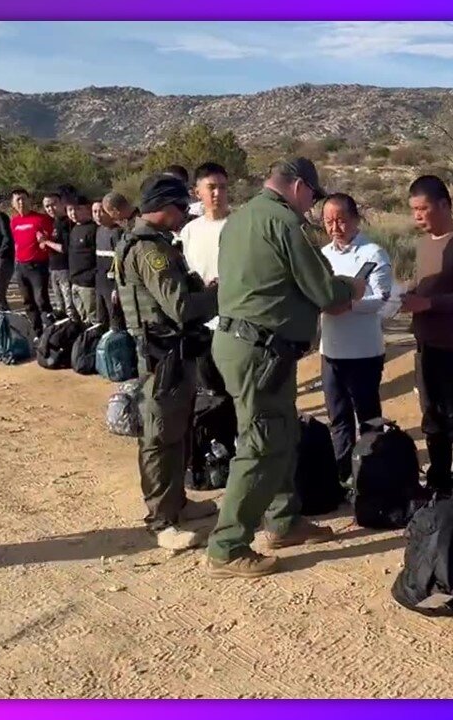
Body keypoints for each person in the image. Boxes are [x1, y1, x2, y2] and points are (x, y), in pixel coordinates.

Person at [206, 158, 365, 578]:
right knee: (259, 443)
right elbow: (324, 291)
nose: (312, 204)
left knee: (281, 433)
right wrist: (351, 287)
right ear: (297, 186)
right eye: (312, 195)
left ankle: (282, 520)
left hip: (248, 347)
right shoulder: (284, 222)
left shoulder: (241, 219)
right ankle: (227, 546)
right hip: (259, 351)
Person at [115, 174, 220, 550]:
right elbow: (180, 308)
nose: (183, 218)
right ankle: (161, 521)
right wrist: (217, 296)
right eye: (180, 210)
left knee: (177, 431)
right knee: (159, 437)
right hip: (162, 358)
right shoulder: (149, 251)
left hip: (173, 355)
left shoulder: (154, 243)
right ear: (166, 207)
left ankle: (177, 504)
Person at [400, 175, 453, 505]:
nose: (417, 216)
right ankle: (438, 481)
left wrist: (429, 303)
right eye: (413, 210)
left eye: (423, 209)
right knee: (432, 420)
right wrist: (408, 296)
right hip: (426, 347)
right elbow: (426, 287)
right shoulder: (423, 244)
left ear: (444, 205)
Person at [318, 193, 393, 485]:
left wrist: (348, 305)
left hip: (363, 352)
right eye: (328, 221)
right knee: (338, 418)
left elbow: (381, 298)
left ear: (355, 219)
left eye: (341, 220)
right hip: (331, 351)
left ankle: (374, 476)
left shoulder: (373, 253)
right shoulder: (322, 256)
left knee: (369, 418)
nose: (335, 227)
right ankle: (343, 475)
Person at [177, 162, 233, 394]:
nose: (217, 193)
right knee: (210, 388)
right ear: (196, 191)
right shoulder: (190, 230)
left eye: (222, 187)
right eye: (211, 187)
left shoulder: (240, 225)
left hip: (232, 320)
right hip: (201, 322)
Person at [9, 188, 56, 334]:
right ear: (13, 204)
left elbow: (50, 239)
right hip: (20, 266)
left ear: (30, 200)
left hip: (38, 266)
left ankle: (51, 330)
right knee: (28, 302)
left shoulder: (42, 219)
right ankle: (37, 332)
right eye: (18, 200)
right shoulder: (14, 222)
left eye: (24, 198)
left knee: (41, 300)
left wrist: (44, 242)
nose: (21, 202)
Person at [96, 194, 129, 329]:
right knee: (102, 319)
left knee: (116, 320)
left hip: (112, 284)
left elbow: (120, 263)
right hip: (100, 283)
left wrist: (116, 287)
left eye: (102, 211)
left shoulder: (117, 233)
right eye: (95, 212)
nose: (98, 215)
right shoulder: (98, 231)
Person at [42, 192, 75, 319]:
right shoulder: (52, 222)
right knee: (59, 306)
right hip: (53, 268)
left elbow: (64, 248)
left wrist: (46, 242)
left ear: (61, 203)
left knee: (69, 306)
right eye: (47, 206)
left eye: (53, 204)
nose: (51, 209)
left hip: (65, 268)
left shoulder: (68, 222)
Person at [66, 195, 99, 321]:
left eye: (77, 209)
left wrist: (91, 276)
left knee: (94, 319)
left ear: (87, 209)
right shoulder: (74, 229)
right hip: (75, 282)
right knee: (82, 319)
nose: (73, 213)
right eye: (70, 210)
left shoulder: (94, 229)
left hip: (89, 285)